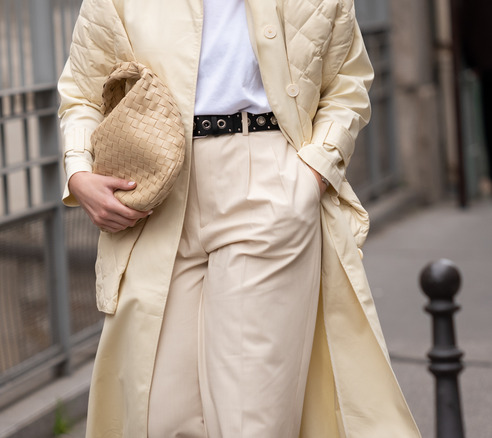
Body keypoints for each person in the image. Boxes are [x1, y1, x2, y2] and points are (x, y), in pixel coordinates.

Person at [59, 0, 421, 436]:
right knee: (157, 416)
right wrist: (79, 170)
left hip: (267, 182)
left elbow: (347, 83)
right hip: (154, 198)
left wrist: (312, 173)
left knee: (249, 418)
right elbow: (82, 91)